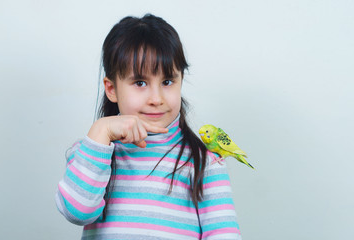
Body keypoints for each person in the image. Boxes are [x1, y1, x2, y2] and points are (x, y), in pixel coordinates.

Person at [55, 13, 241, 240]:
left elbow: (224, 235)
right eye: (140, 83)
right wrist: (101, 131)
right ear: (112, 89)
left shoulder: (205, 162)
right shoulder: (93, 151)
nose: (156, 98)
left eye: (167, 82)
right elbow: (77, 212)